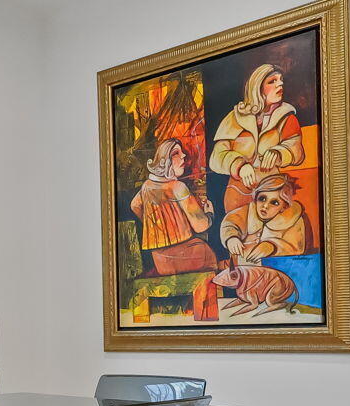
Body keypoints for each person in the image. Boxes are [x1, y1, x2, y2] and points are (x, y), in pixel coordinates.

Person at [208, 63, 305, 215]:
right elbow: (216, 158)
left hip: (272, 195)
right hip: (237, 195)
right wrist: (239, 165)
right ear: (257, 87)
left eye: (281, 80)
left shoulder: (287, 117)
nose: (280, 84)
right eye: (272, 81)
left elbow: (297, 152)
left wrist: (279, 152)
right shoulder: (235, 116)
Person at [129, 139, 218, 275]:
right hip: (187, 256)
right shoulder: (178, 187)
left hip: (160, 261)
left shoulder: (147, 186)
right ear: (165, 161)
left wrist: (153, 223)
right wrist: (210, 214)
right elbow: (201, 226)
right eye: (176, 153)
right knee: (210, 255)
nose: (183, 156)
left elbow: (134, 205)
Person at [218, 173, 310, 261]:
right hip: (242, 267)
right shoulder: (247, 211)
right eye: (262, 199)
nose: (265, 206)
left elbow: (296, 248)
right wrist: (231, 238)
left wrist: (272, 247)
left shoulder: (293, 219)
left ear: (283, 207)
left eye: (274, 203)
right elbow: (230, 223)